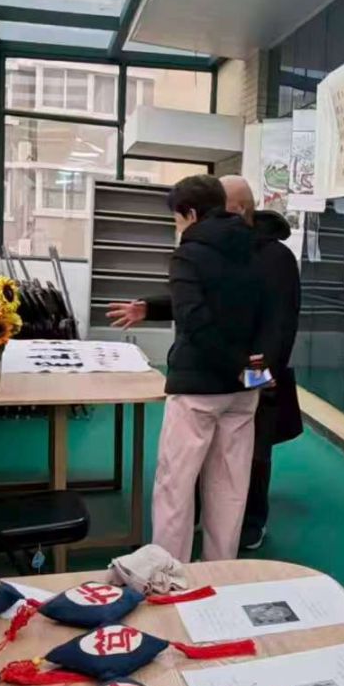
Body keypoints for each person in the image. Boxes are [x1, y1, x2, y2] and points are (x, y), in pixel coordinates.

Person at [106, 174, 265, 561]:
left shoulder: (188, 253)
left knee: (175, 485)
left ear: (191, 213)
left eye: (177, 218)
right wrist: (248, 372)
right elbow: (236, 302)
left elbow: (195, 318)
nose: (177, 226)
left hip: (198, 388)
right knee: (229, 486)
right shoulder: (256, 247)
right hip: (244, 389)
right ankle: (219, 569)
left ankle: (170, 570)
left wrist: (230, 364)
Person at [218, 175, 303, 552]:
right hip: (221, 370)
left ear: (238, 209)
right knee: (219, 448)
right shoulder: (223, 247)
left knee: (254, 451)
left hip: (259, 374)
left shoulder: (276, 257)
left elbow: (281, 325)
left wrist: (260, 375)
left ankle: (252, 521)